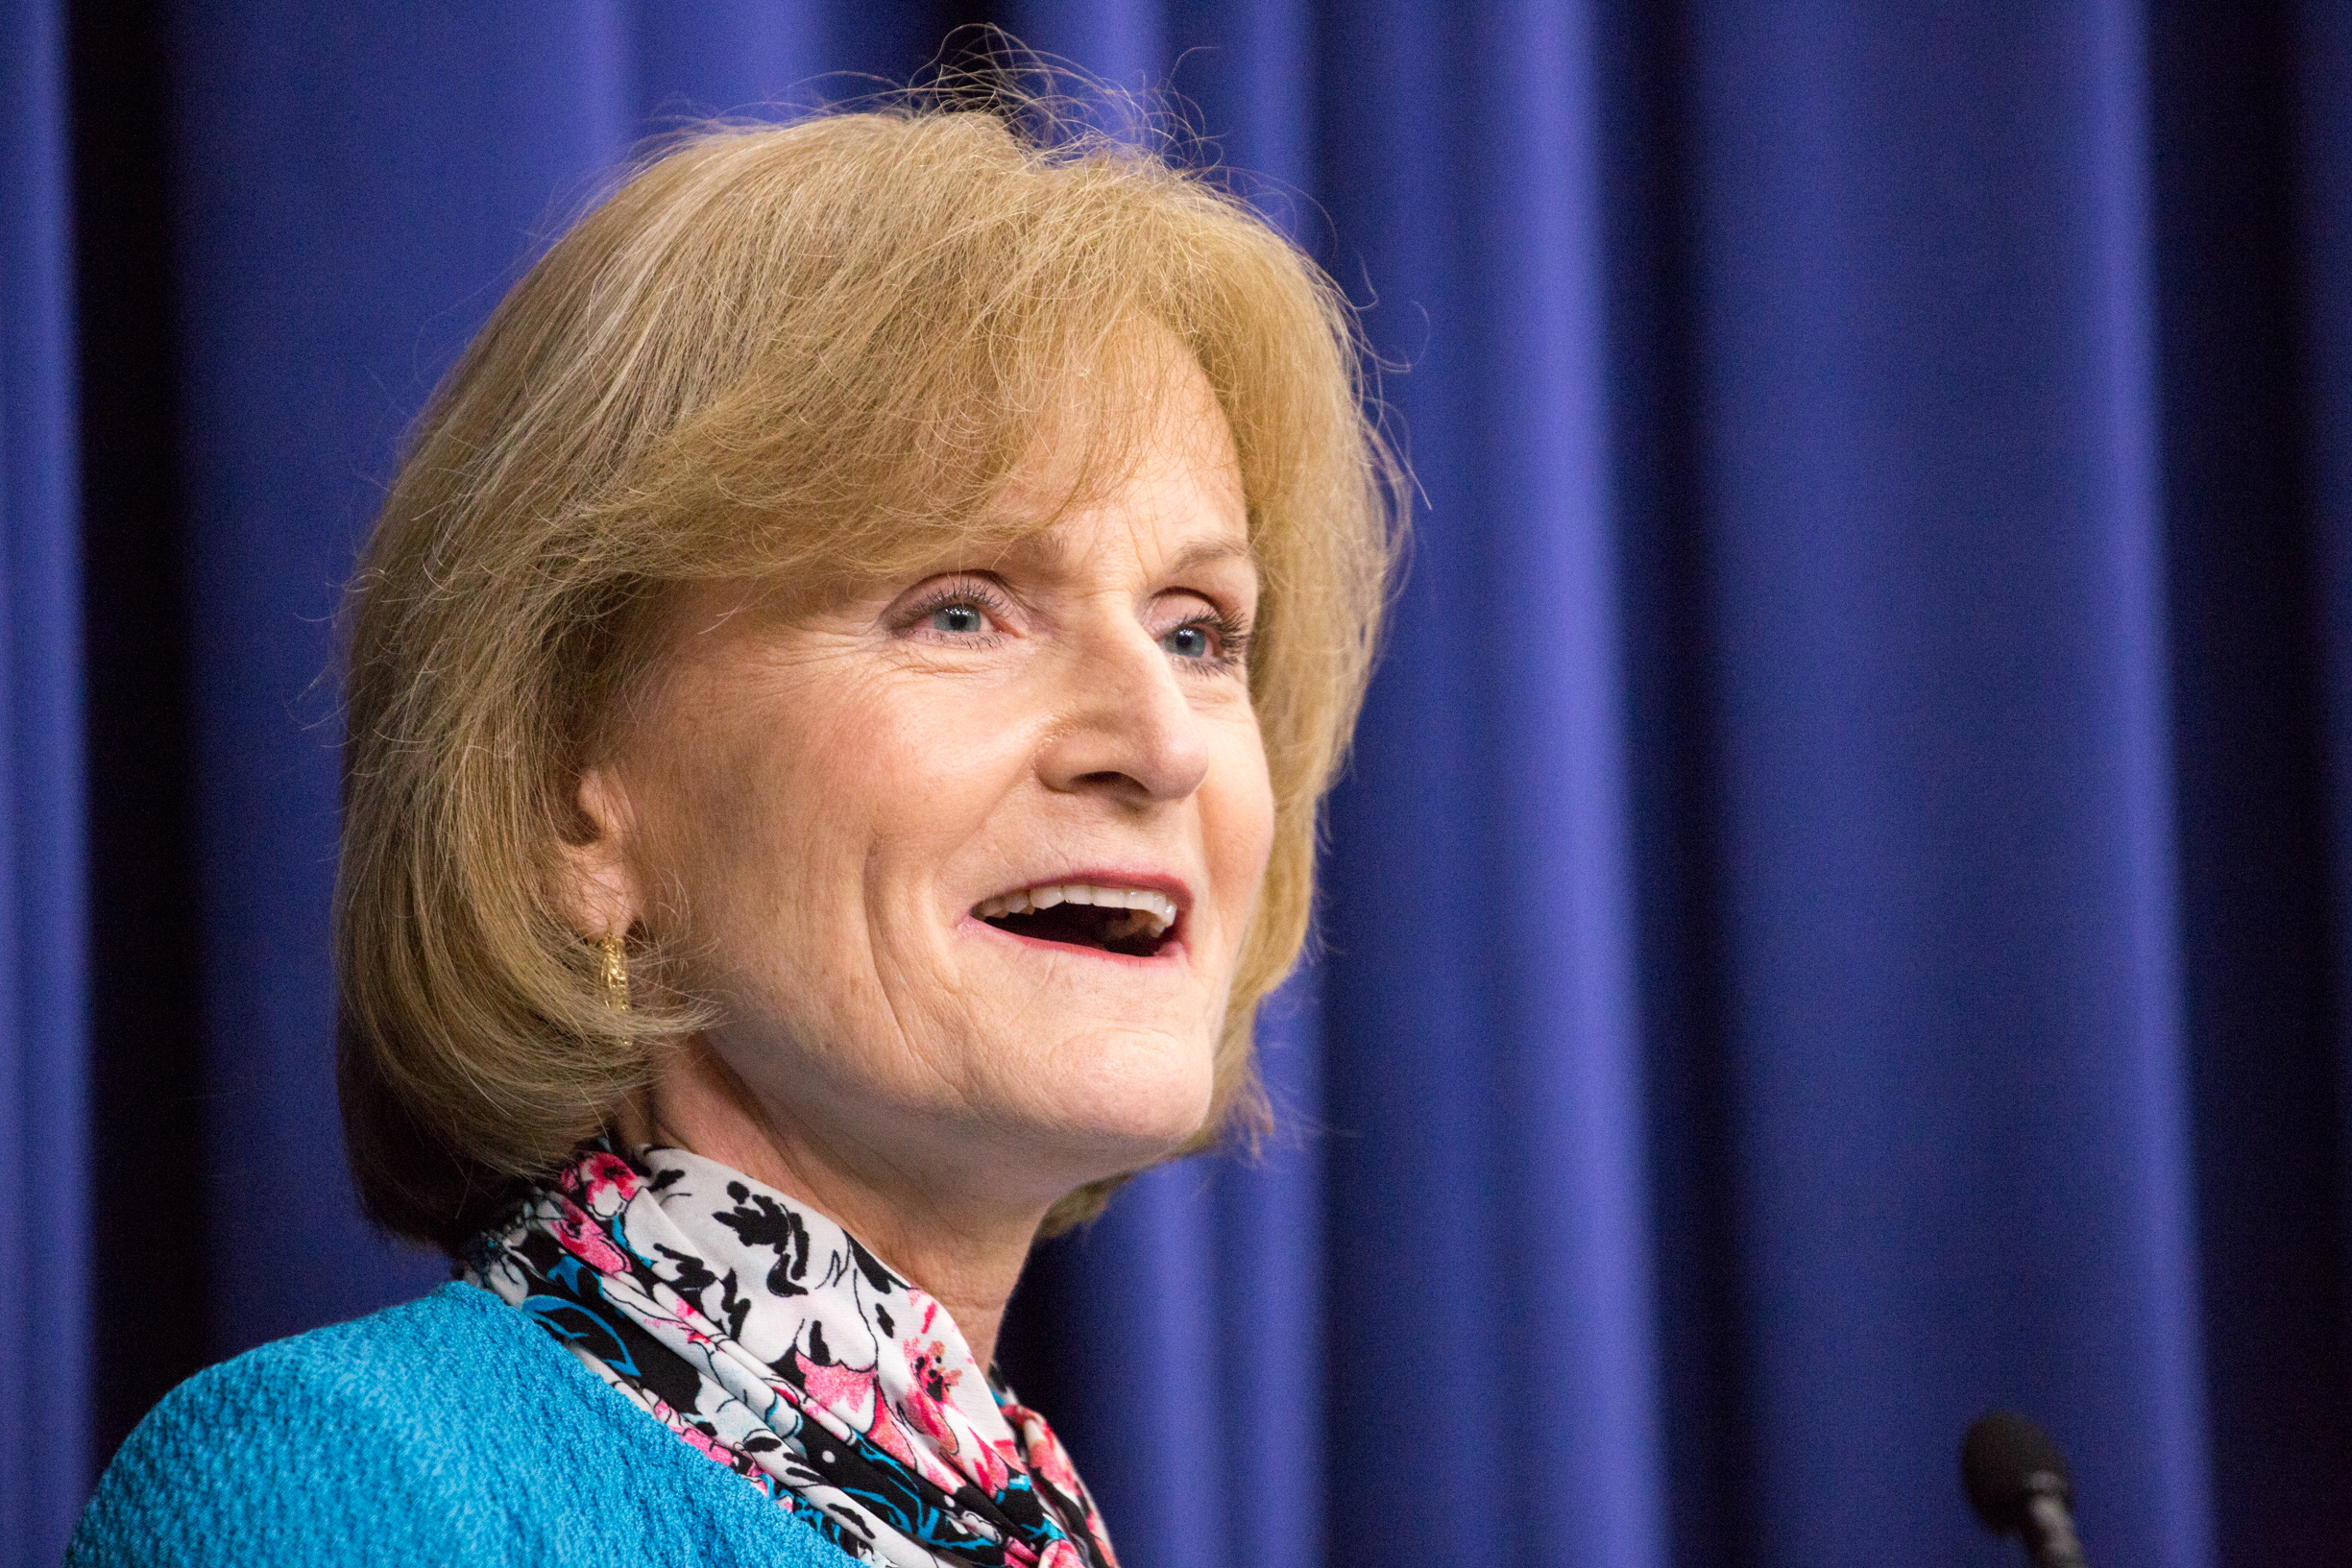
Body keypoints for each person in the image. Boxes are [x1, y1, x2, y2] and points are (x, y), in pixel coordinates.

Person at [69, 87, 1395, 1568]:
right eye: (959, 608)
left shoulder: (1015, 1518)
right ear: (577, 801)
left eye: (1199, 632)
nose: (1157, 741)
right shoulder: (338, 1489)